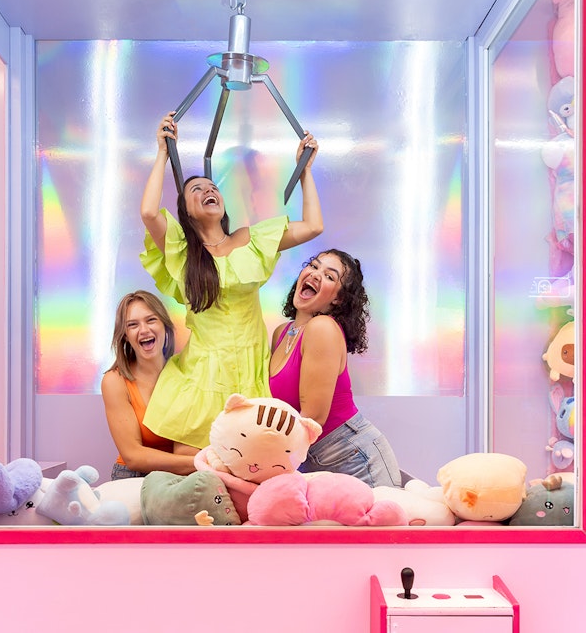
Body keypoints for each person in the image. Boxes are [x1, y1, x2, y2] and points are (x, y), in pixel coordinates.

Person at [139, 111, 323, 454]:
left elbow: (313, 226)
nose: (209, 190)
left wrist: (305, 172)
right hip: (203, 373)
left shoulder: (250, 239)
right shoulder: (182, 251)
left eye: (212, 188)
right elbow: (149, 213)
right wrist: (163, 152)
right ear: (186, 211)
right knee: (194, 462)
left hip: (251, 369)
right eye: (196, 189)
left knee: (252, 461)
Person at [268, 249, 401, 488]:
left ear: (338, 299)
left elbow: (313, 418)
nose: (316, 274)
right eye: (314, 266)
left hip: (353, 460)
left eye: (329, 276)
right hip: (311, 462)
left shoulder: (322, 327)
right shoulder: (282, 333)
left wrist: (265, 456)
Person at [100, 290, 197, 480]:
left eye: (151, 320)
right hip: (134, 476)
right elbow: (133, 456)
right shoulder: (115, 380)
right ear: (125, 335)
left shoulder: (189, 372)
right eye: (133, 325)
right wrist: (200, 463)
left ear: (165, 326)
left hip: (183, 475)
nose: (144, 330)